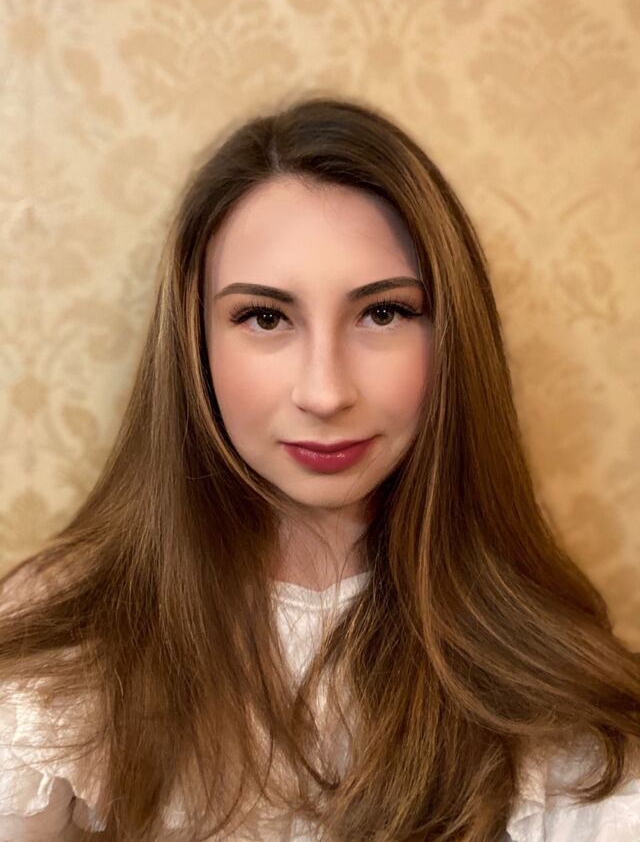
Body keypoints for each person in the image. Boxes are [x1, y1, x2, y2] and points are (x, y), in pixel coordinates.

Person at [0, 95, 639, 842]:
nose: (326, 393)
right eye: (266, 317)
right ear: (195, 344)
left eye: (383, 313)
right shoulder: (67, 643)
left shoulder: (542, 671)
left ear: (451, 337)